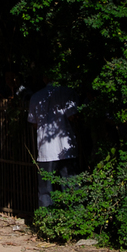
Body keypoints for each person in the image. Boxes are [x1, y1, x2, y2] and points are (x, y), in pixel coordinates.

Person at [27, 75, 80, 207]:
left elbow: (34, 123)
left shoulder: (36, 97)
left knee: (45, 189)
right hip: (66, 147)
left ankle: (47, 220)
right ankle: (74, 218)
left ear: (44, 79)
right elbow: (73, 116)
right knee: (70, 186)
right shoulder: (68, 92)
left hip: (46, 150)